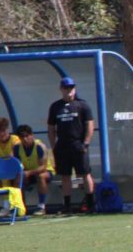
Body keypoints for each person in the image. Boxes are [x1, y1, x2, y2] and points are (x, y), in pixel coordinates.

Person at [47, 76, 95, 214]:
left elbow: (90, 125)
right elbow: (51, 128)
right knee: (65, 175)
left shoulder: (82, 105)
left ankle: (91, 203)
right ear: (61, 89)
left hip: (78, 144)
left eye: (71, 88)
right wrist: (54, 146)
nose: (69, 90)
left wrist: (85, 143)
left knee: (85, 173)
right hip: (62, 145)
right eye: (66, 88)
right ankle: (67, 205)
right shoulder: (56, 106)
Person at [14, 124, 52, 215]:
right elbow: (18, 165)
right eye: (22, 137)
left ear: (32, 135)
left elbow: (43, 167)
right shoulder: (17, 148)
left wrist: (29, 173)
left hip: (46, 172)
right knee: (17, 178)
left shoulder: (39, 146)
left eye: (27, 136)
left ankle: (41, 206)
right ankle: (20, 207)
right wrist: (23, 173)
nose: (25, 139)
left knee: (41, 176)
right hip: (28, 172)